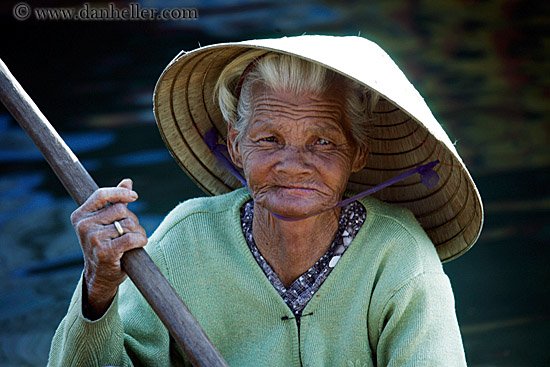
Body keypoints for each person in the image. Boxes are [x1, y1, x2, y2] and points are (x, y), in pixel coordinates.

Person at [48, 35, 483, 366]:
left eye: (323, 142)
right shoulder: (187, 240)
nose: (293, 165)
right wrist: (99, 288)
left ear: (357, 155)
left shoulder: (399, 256)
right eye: (269, 139)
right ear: (237, 146)